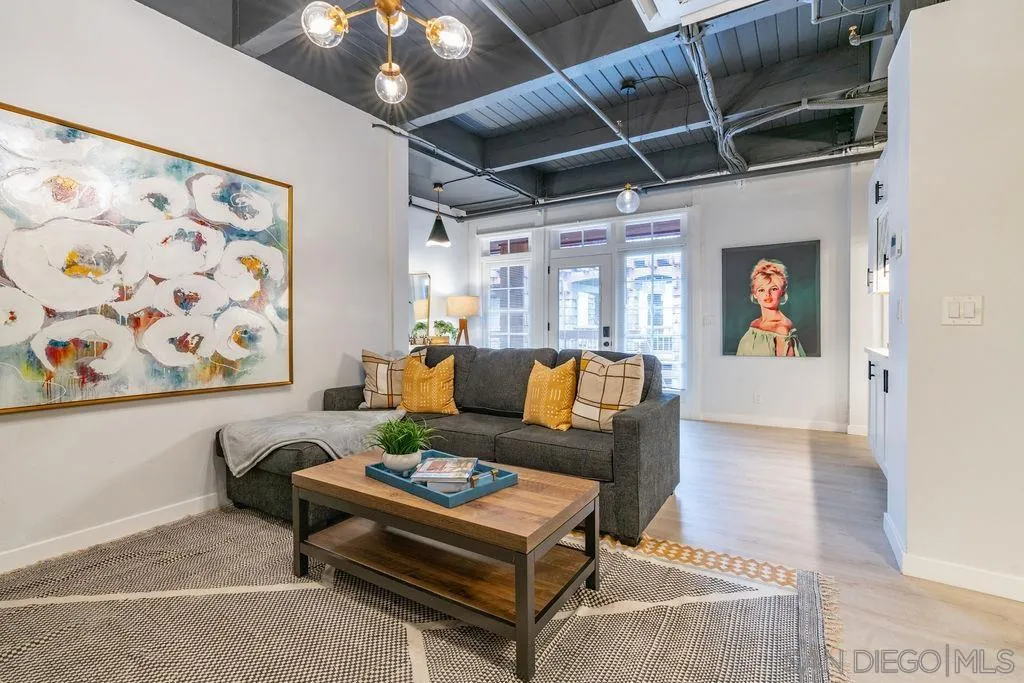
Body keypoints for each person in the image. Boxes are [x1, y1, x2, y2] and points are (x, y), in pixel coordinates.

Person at [736, 258, 806, 357]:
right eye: (761, 290)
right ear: (754, 293)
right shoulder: (755, 324)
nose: (767, 294)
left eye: (773, 289)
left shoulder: (782, 329)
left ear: (782, 292)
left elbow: (781, 368)